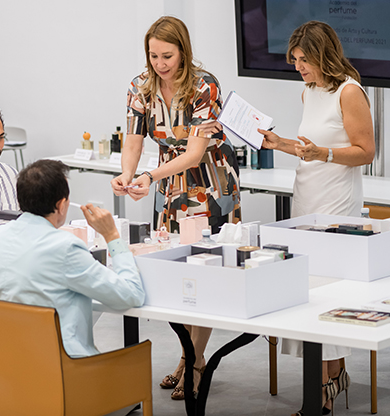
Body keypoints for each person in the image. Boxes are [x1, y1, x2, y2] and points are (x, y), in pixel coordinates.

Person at [110, 16, 241, 400]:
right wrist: (127, 175)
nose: (160, 63)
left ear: (183, 51)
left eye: (167, 55)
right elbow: (133, 139)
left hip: (209, 184)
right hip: (169, 183)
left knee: (205, 270)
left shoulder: (204, 85)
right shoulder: (140, 86)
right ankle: (188, 355)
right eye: (153, 55)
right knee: (176, 267)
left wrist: (149, 177)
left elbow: (196, 152)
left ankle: (197, 361)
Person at [259, 21, 375, 416]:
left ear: (323, 55)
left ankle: (326, 386)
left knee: (329, 294)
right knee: (309, 293)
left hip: (337, 203)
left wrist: (323, 154)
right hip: (306, 196)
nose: (298, 67)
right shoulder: (309, 92)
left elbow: (364, 151)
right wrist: (281, 144)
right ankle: (330, 377)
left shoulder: (350, 91)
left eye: (303, 60)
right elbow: (311, 147)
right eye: (294, 60)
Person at [0, 159, 145, 357]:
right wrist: (112, 236)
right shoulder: (65, 247)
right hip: (61, 369)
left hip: (3, 365)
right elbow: (131, 295)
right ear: (61, 205)